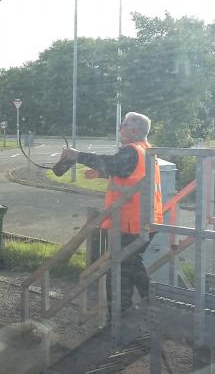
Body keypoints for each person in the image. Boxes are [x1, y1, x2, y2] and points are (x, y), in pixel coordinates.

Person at [58, 112, 163, 317]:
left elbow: (114, 163)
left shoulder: (132, 151)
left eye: (122, 125)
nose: (119, 129)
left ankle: (145, 308)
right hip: (147, 221)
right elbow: (127, 172)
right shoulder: (147, 151)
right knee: (125, 269)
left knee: (121, 270)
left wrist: (77, 155)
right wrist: (104, 172)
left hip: (131, 224)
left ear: (134, 130)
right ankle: (130, 315)